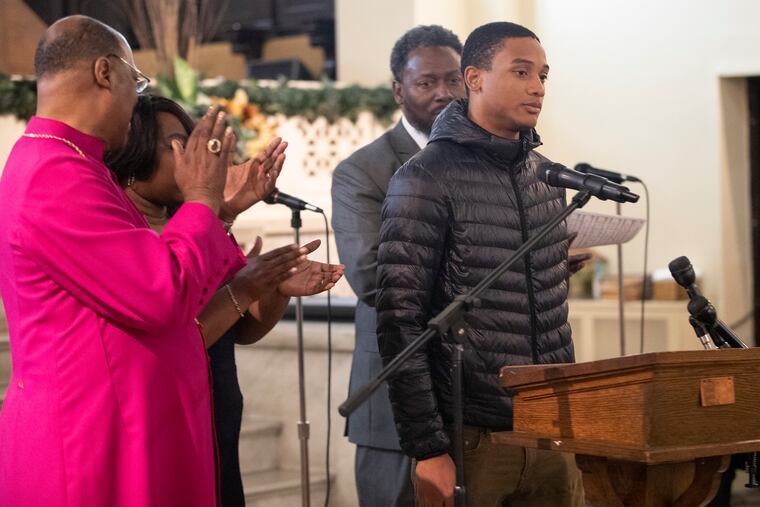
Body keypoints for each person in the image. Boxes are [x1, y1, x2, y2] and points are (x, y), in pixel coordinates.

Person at [0, 15, 265, 506]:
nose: (135, 102)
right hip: (92, 448)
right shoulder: (55, 175)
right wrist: (203, 200)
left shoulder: (74, 164)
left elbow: (146, 275)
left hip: (114, 429)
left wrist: (219, 209)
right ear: (105, 72)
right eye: (134, 80)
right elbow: (160, 294)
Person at [376, 22, 587, 506]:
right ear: (473, 78)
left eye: (543, 75)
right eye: (520, 71)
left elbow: (550, 312)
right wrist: (428, 448)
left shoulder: (547, 179)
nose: (537, 87)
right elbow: (400, 322)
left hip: (550, 429)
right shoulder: (425, 178)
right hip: (472, 439)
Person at [106, 94, 344, 506]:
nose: (199, 159)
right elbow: (177, 334)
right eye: (178, 145)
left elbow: (245, 328)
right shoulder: (123, 230)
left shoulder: (194, 221)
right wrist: (245, 285)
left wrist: (274, 286)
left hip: (219, 402)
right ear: (134, 151)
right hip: (162, 414)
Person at [332, 25, 465, 506]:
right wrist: (481, 270)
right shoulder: (363, 171)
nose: (444, 94)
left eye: (453, 80)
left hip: (476, 395)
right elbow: (371, 274)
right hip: (394, 393)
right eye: (427, 82)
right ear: (399, 90)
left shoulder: (481, 161)